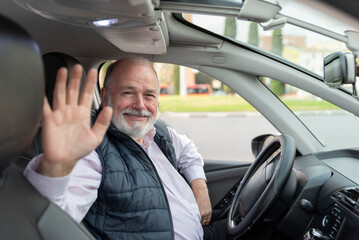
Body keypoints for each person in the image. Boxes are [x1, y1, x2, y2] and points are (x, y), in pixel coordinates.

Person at [24, 58, 231, 240]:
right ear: (105, 97)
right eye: (128, 92)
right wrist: (56, 168)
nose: (140, 105)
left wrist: (199, 186)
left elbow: (188, 149)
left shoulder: (158, 132)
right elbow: (54, 220)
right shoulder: (91, 150)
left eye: (149, 95)